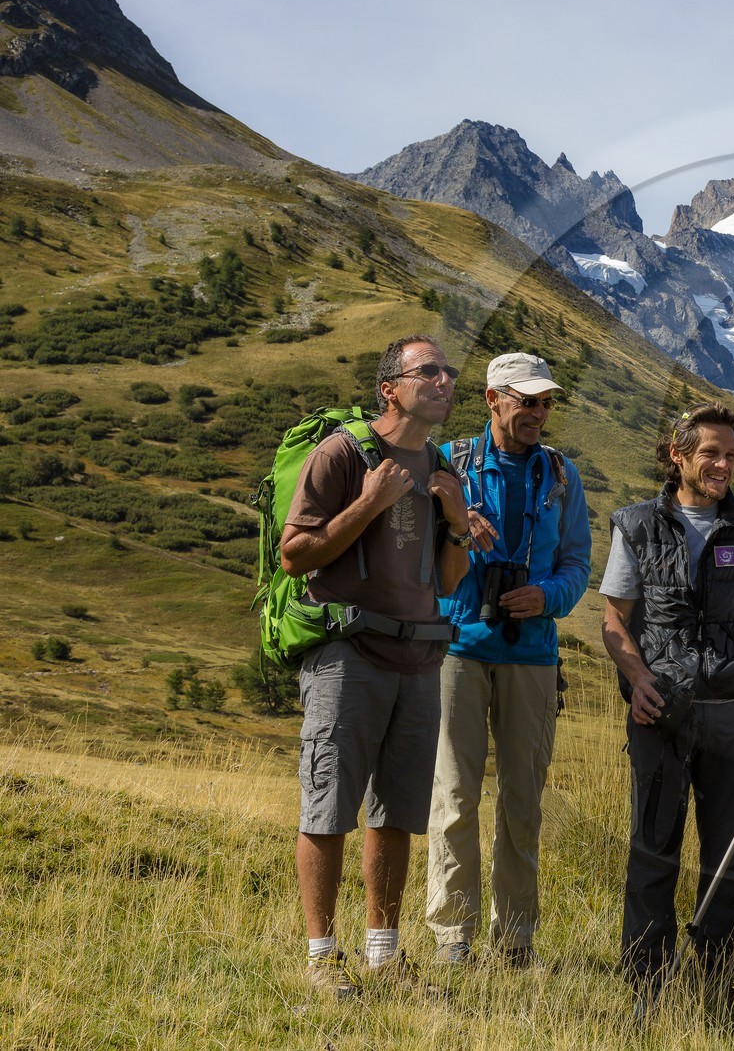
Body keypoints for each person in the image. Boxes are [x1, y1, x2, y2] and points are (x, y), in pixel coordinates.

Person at [280, 335, 472, 998]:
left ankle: (384, 959)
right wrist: (369, 502)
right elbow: (295, 554)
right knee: (328, 806)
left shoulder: (445, 467)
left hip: (418, 658)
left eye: (449, 372)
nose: (445, 380)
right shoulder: (341, 454)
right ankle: (320, 957)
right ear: (389, 387)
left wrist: (457, 519)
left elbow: (449, 582)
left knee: (397, 814)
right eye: (430, 372)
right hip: (348, 655)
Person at [599, 402, 734, 1013]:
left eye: (731, 455)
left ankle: (716, 989)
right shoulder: (635, 524)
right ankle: (646, 991)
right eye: (710, 452)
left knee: (728, 858)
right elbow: (614, 620)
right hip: (663, 714)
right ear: (677, 454)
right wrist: (636, 680)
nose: (723, 464)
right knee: (653, 850)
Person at [426, 352, 592, 968]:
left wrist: (546, 596)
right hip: (458, 646)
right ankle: (452, 935)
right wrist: (456, 519)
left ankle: (516, 938)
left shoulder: (562, 475)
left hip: (533, 653)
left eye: (546, 402)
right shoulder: (454, 464)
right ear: (493, 399)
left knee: (524, 799)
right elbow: (416, 540)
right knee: (455, 795)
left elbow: (578, 564)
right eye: (526, 401)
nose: (538, 413)